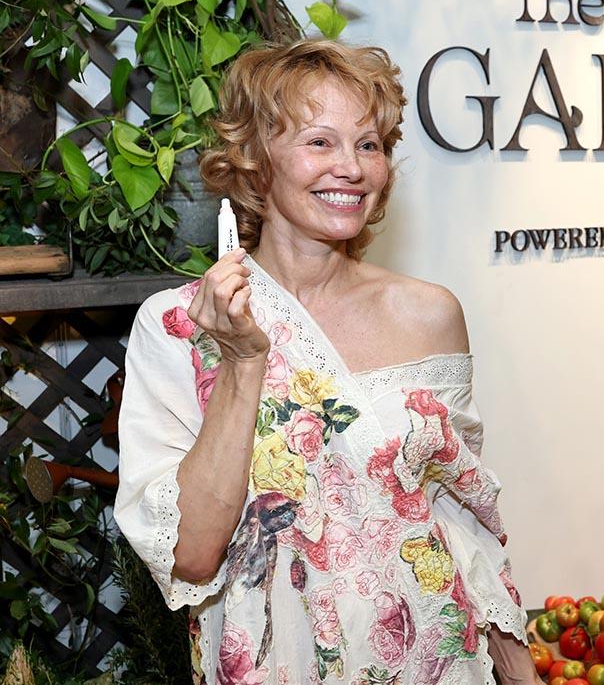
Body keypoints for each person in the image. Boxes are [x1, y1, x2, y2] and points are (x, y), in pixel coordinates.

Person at [115, 39, 542, 685]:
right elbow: (193, 555)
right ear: (257, 161)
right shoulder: (180, 328)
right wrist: (241, 364)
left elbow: (463, 525)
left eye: (369, 145)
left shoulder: (429, 315)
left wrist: (522, 676)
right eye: (320, 142)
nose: (352, 167)